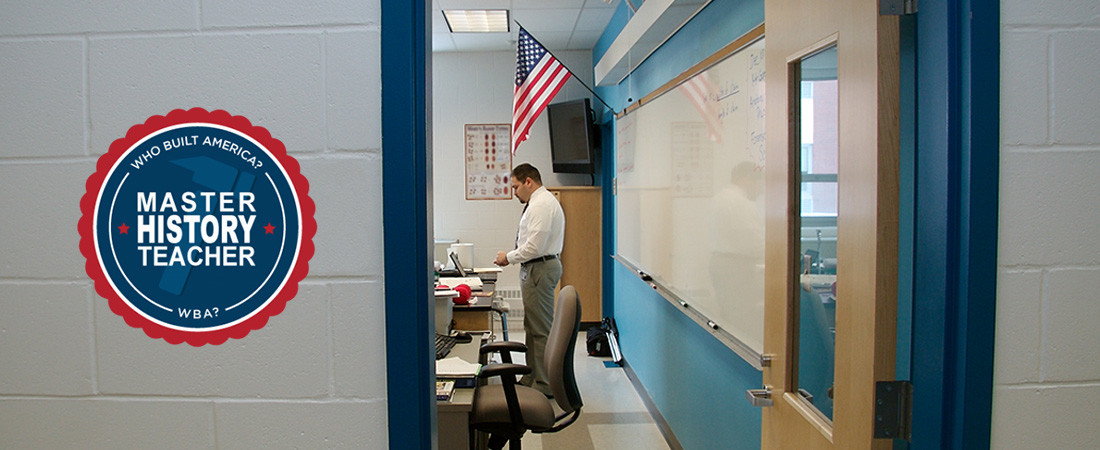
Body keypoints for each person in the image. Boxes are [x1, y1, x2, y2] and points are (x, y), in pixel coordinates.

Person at [494, 163, 564, 397]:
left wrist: (508, 257)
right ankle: (532, 376)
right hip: (535, 267)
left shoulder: (542, 205)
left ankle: (545, 386)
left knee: (541, 329)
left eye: (515, 187)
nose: (514, 193)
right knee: (532, 327)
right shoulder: (537, 203)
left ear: (528, 182)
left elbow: (534, 246)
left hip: (540, 267)